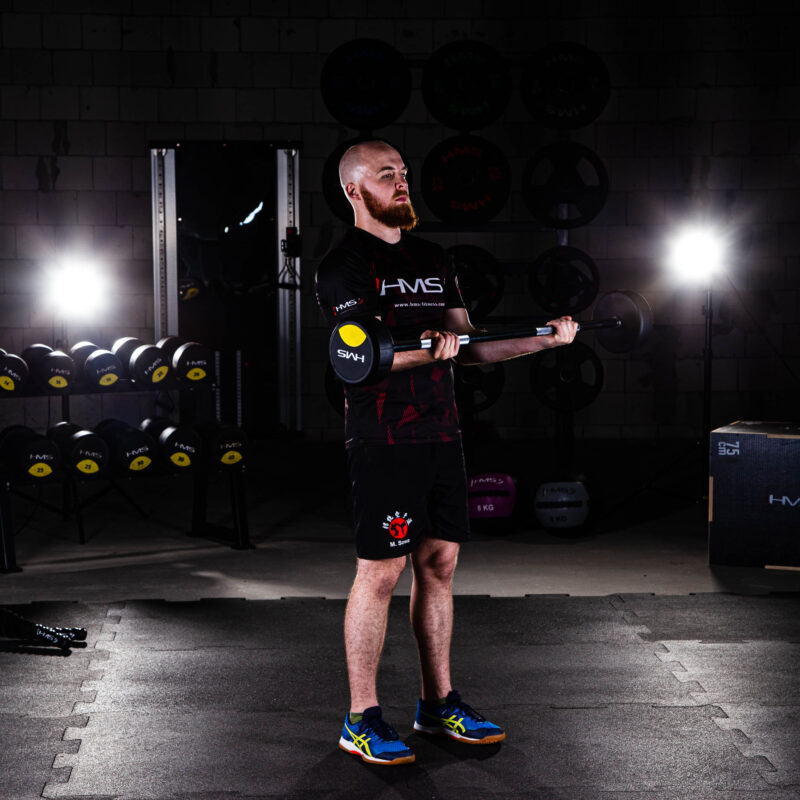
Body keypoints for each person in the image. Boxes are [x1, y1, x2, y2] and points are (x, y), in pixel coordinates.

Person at [315, 139, 578, 766]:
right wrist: (426, 348)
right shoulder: (343, 265)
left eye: (404, 173)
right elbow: (359, 354)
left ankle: (437, 704)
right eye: (387, 175)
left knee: (439, 563)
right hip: (383, 437)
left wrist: (543, 341)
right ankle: (360, 718)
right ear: (354, 190)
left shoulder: (434, 257)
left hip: (442, 432)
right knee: (381, 572)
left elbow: (471, 345)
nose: (402, 183)